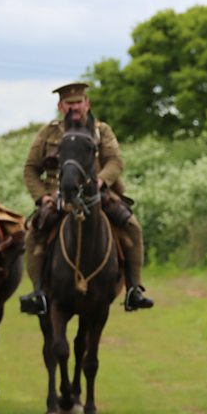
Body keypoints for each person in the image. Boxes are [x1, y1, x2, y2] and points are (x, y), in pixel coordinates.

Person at [20, 81, 154, 315]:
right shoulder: (49, 133)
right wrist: (42, 198)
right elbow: (31, 169)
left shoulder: (101, 130)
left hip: (97, 192)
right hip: (57, 194)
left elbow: (115, 161)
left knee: (132, 227)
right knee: (34, 233)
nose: (74, 107)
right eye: (69, 103)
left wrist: (101, 180)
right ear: (61, 106)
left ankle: (134, 288)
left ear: (87, 103)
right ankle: (39, 292)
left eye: (78, 102)